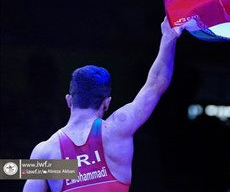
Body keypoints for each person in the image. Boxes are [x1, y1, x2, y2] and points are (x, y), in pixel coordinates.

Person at [23, 16, 181, 192]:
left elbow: (15, 173)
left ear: (69, 100)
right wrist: (169, 37)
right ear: (106, 103)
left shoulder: (45, 152)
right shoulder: (116, 130)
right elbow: (155, 85)